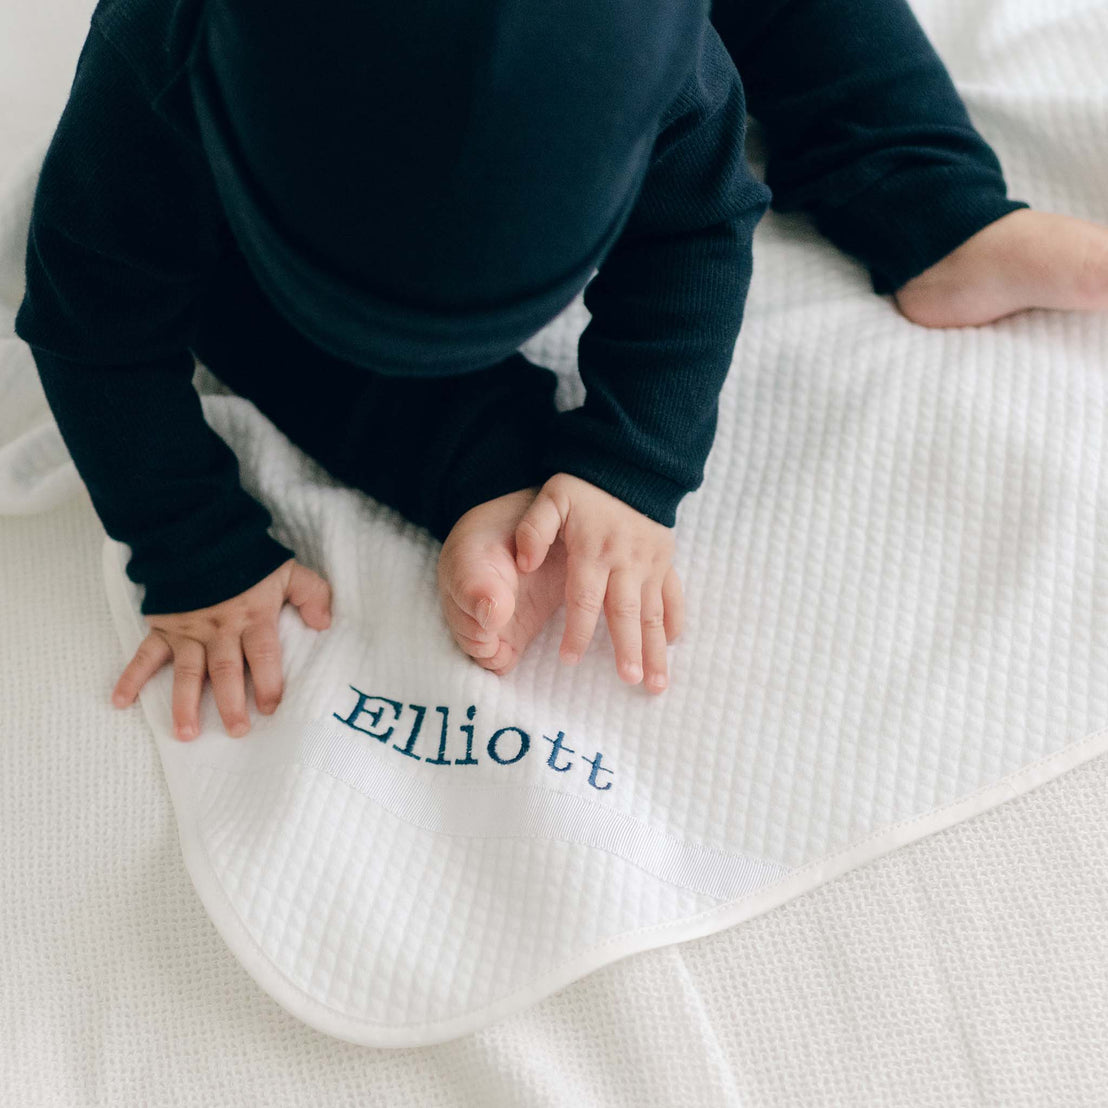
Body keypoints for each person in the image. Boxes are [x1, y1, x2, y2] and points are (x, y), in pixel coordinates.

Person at [15, 0, 1108, 743]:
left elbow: (697, 228)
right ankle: (478, 466)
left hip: (604, 59)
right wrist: (192, 548)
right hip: (285, 107)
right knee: (216, 296)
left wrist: (633, 464)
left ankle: (935, 203)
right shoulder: (162, 51)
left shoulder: (666, 53)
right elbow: (88, 314)